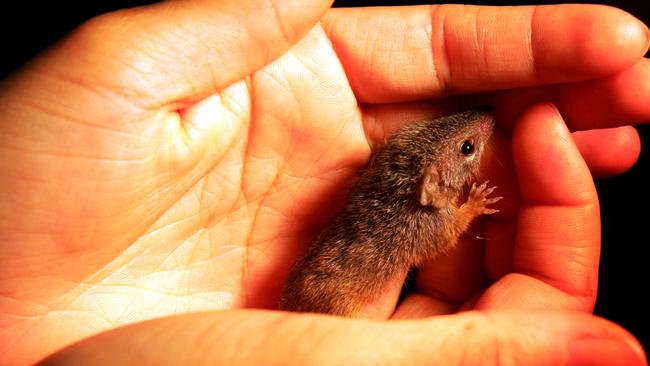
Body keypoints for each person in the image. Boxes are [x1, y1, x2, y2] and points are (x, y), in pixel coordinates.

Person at [0, 1, 648, 364]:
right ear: (431, 185)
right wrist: (468, 209)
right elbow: (434, 239)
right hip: (330, 298)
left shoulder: (386, 186)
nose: (478, 140)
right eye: (470, 150)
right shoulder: (426, 212)